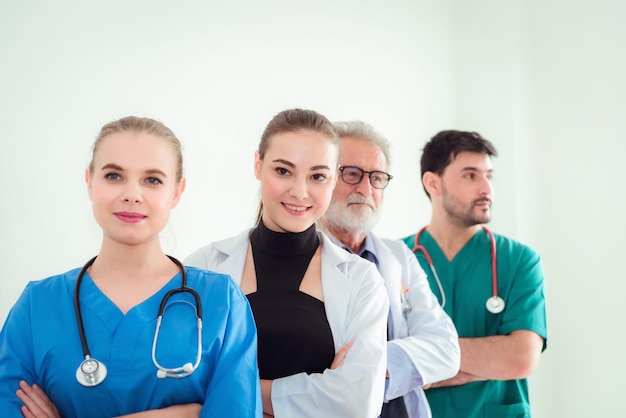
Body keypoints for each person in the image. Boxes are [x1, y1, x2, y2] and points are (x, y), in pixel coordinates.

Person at [0, 116, 262, 418]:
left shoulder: (222, 302)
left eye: (152, 180)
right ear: (89, 182)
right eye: (114, 176)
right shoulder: (38, 306)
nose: (132, 194)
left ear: (177, 191)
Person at [185, 108, 389, 418]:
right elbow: (178, 383)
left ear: (334, 179)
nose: (300, 191)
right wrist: (316, 392)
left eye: (317, 176)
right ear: (258, 164)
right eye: (283, 171)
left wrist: (233, 391)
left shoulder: (362, 280)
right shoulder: (203, 267)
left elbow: (356, 404)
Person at [317, 120, 460, 418]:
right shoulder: (305, 256)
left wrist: (369, 365)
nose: (366, 188)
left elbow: (446, 349)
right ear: (325, 177)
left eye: (377, 177)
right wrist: (410, 365)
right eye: (352, 174)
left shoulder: (398, 256)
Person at [401, 130, 547, 418]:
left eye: (488, 176)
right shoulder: (397, 259)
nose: (487, 189)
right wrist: (484, 362)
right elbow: (381, 360)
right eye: (470, 175)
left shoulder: (519, 260)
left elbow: (521, 358)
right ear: (433, 183)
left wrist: (426, 361)